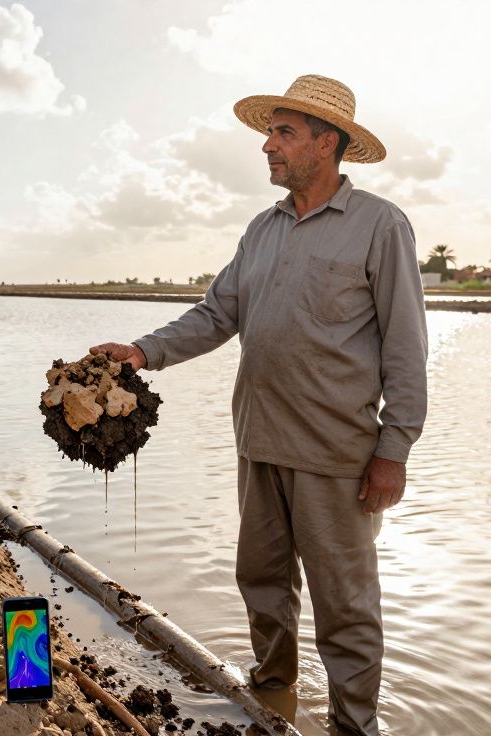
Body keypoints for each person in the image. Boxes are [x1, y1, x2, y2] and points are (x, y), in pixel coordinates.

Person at [90, 74, 427, 736]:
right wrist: (141, 351)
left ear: (325, 143)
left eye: (283, 133)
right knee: (262, 579)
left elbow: (407, 350)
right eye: (270, 132)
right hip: (259, 442)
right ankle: (272, 691)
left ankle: (353, 727)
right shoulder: (261, 230)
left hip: (336, 455)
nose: (267, 147)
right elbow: (218, 314)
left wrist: (394, 449)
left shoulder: (379, 226)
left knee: (346, 606)